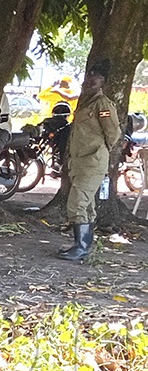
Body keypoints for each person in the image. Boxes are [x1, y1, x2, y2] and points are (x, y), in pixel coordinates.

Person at [58, 60, 122, 261]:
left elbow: (113, 132)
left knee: (77, 202)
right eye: (89, 75)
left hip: (92, 161)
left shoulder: (102, 104)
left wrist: (101, 151)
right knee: (86, 205)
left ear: (103, 82)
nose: (90, 80)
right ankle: (82, 245)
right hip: (80, 161)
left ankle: (82, 247)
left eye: (96, 77)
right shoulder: (85, 102)